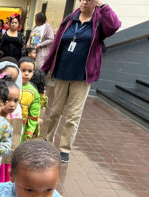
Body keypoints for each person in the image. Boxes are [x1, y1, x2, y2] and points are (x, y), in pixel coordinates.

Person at [42, 0, 120, 163]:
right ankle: (47, 141)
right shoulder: (71, 18)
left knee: (73, 115)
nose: (84, 2)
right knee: (56, 110)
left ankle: (64, 149)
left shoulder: (99, 21)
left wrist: (103, 6)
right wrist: (47, 66)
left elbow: (114, 25)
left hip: (82, 76)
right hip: (62, 72)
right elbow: (57, 43)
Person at [19, 57, 41, 143]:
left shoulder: (34, 92)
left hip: (22, 128)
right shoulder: (9, 85)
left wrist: (29, 132)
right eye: (23, 70)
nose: (26, 74)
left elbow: (34, 114)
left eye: (30, 71)